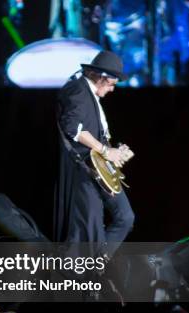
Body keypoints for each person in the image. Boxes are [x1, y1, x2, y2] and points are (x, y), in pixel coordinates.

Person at [54, 50, 135, 259]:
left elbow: (95, 133)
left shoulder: (91, 95)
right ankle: (87, 272)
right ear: (102, 78)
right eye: (112, 84)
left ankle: (98, 262)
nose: (112, 90)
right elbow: (74, 128)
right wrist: (107, 151)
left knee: (125, 217)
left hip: (101, 169)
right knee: (88, 231)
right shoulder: (78, 89)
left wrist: (116, 152)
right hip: (86, 170)